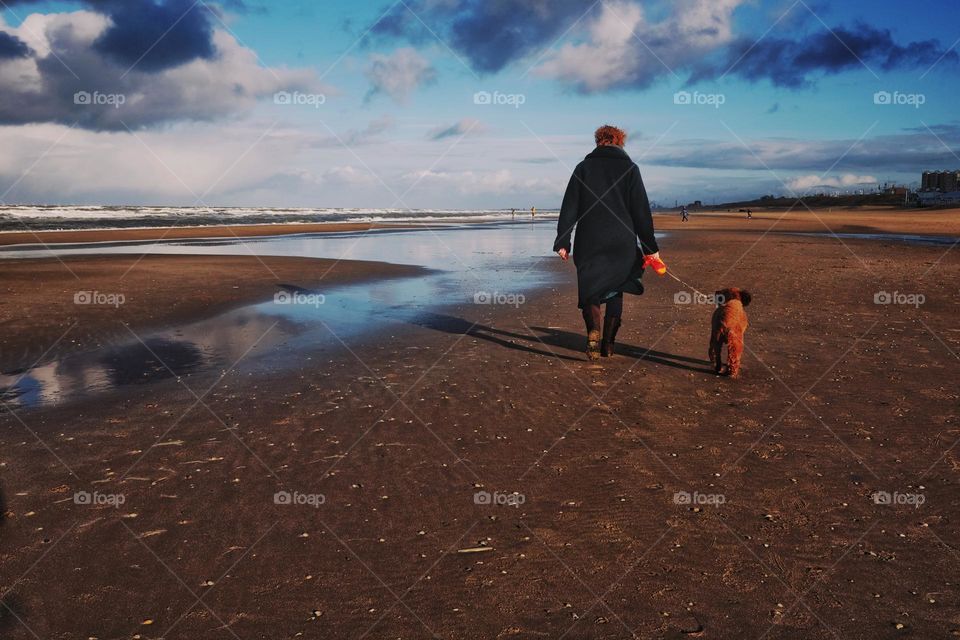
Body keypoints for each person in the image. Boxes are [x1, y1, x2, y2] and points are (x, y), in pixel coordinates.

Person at [554, 124, 664, 360]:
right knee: (617, 288)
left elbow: (570, 206)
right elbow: (641, 211)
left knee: (590, 290)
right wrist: (650, 248)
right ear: (620, 142)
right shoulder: (630, 169)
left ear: (598, 142)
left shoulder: (583, 168)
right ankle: (609, 345)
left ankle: (593, 330)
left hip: (589, 240)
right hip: (621, 241)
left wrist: (563, 240)